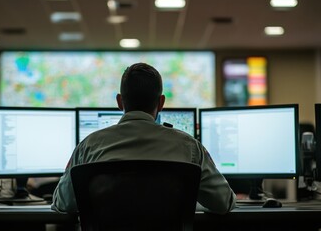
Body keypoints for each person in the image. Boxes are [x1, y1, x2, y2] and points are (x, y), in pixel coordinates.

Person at [51, 62, 236, 214]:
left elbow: (63, 204)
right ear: (161, 103)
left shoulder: (89, 146)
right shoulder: (190, 148)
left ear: (119, 101)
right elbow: (223, 203)